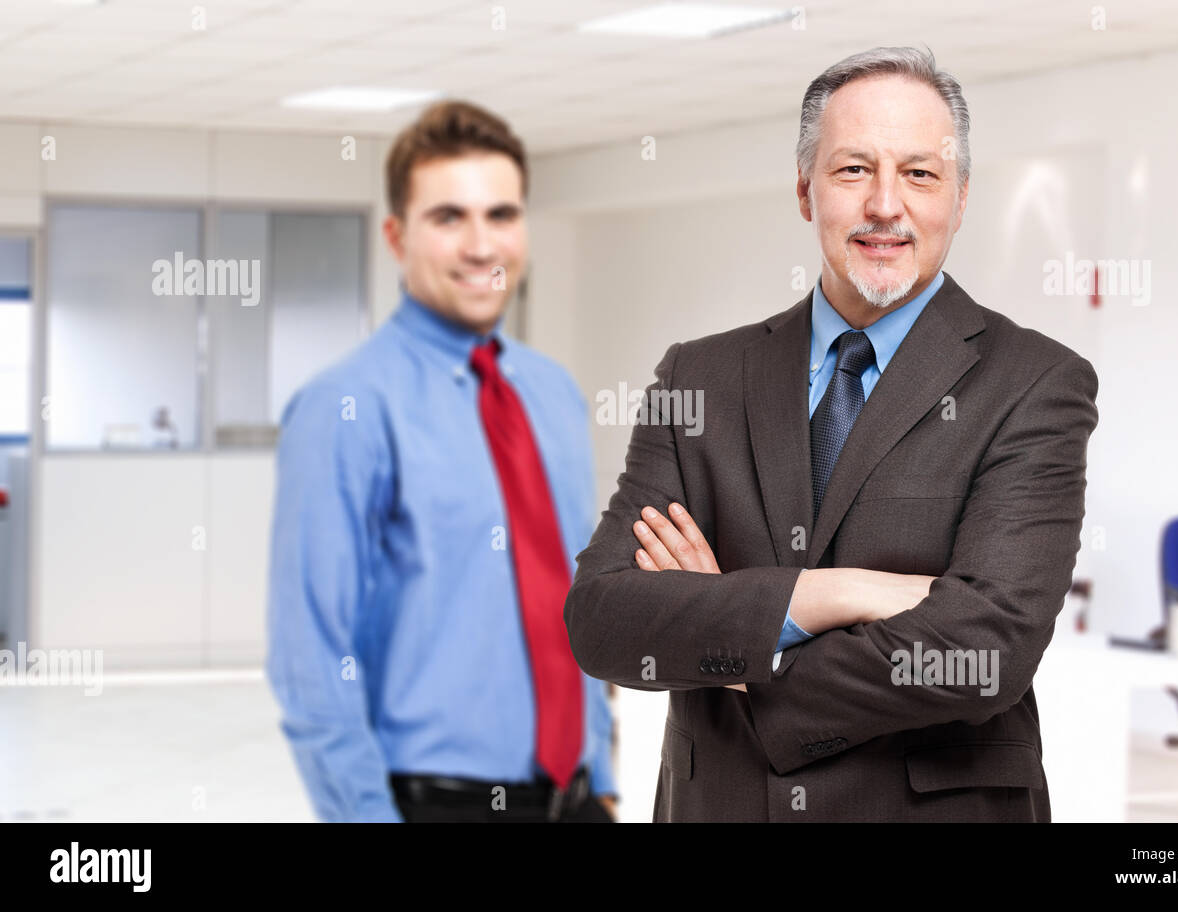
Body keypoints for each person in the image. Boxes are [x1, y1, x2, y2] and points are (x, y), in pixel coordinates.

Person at [564, 46, 1099, 822]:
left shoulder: (1034, 382)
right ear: (805, 190)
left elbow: (987, 653)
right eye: (853, 170)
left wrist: (737, 635)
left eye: (920, 173)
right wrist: (832, 595)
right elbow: (605, 620)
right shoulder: (699, 377)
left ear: (961, 195)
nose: (887, 205)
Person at [267, 100, 617, 823]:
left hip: (576, 798)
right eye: (448, 217)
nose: (482, 246)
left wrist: (601, 770)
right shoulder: (345, 405)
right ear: (396, 237)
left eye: (502, 215)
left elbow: (573, 595)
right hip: (433, 806)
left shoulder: (551, 393)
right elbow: (310, 657)